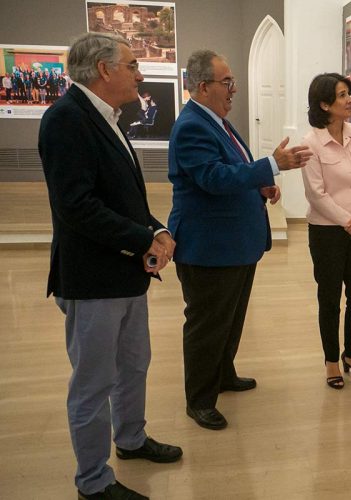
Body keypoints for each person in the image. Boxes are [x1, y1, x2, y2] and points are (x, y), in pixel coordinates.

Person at [38, 32, 182, 500]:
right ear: (103, 70)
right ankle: (93, 482)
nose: (140, 74)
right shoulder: (65, 120)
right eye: (132, 65)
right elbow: (77, 206)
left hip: (125, 274)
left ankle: (132, 439)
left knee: (134, 364)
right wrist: (146, 236)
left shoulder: (107, 118)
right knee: (93, 383)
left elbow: (125, 199)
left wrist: (155, 228)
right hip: (92, 280)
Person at [168, 49, 311, 430]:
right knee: (207, 325)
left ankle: (223, 373)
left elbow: (232, 171)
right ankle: (199, 399)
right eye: (227, 82)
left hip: (233, 245)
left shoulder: (217, 121)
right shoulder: (192, 126)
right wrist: (272, 166)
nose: (234, 90)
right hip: (209, 248)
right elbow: (212, 179)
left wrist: (260, 186)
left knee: (229, 319)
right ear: (203, 87)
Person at [301, 73, 351, 389]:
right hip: (327, 233)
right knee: (330, 298)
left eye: (348, 93)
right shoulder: (310, 143)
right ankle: (332, 360)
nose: (349, 100)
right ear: (324, 104)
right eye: (342, 95)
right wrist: (350, 222)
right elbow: (316, 194)